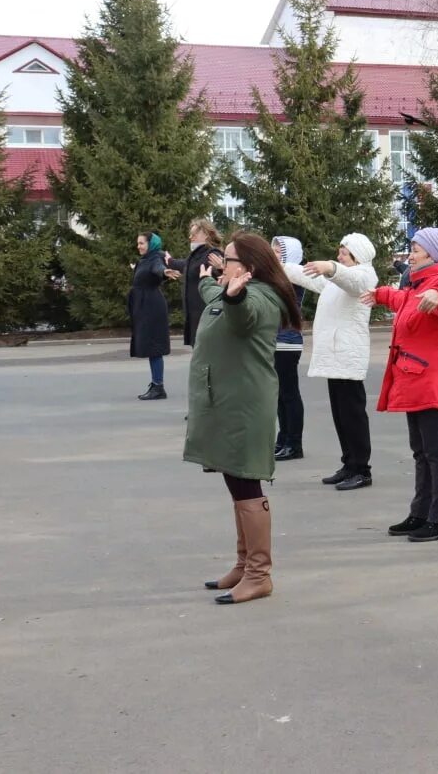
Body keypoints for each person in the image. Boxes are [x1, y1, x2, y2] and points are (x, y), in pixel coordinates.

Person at [187, 232, 304, 605]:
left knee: (246, 482)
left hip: (244, 405)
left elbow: (243, 317)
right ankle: (243, 565)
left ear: (248, 267)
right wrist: (207, 280)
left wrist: (234, 296)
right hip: (226, 402)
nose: (223, 263)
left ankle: (259, 574)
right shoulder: (231, 290)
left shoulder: (258, 299)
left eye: (229, 259)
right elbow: (214, 297)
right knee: (234, 480)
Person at [361, 228, 438, 543]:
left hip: (430, 381)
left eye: (416, 248)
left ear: (433, 254)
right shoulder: (418, 283)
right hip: (415, 378)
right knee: (421, 452)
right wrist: (380, 294)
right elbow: (403, 299)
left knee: (437, 453)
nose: (411, 253)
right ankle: (421, 513)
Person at [283, 233, 378, 491]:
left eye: (343, 253)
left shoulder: (365, 275)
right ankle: (348, 464)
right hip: (335, 357)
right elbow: (304, 274)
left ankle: (362, 469)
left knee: (353, 415)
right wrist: (276, 264)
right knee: (340, 415)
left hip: (348, 356)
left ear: (357, 256)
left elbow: (353, 281)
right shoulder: (336, 280)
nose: (338, 256)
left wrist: (331, 267)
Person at [271, 236, 306, 461]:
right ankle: (283, 439)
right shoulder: (278, 275)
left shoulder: (293, 274)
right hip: (275, 341)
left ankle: (294, 444)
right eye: (272, 249)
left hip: (288, 342)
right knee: (279, 395)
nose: (273, 253)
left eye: (277, 250)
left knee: (289, 394)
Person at [163, 218, 223, 348]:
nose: (190, 237)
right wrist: (171, 262)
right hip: (195, 317)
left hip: (206, 317)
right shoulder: (196, 255)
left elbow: (223, 274)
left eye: (194, 234)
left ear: (206, 235)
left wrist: (221, 268)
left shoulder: (212, 254)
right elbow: (187, 265)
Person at [130, 231, 171, 401]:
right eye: (138, 243)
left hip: (152, 307)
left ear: (151, 244)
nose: (138, 246)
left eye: (142, 243)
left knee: (154, 347)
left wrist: (164, 272)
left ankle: (158, 387)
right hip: (145, 306)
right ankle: (156, 384)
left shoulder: (155, 258)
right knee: (151, 346)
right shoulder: (145, 259)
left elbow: (158, 268)